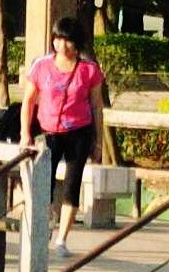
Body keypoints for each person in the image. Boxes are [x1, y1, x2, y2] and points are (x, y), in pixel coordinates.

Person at [19, 18, 112, 221]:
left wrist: (97, 142)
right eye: (57, 39)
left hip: (79, 131)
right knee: (45, 183)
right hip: (49, 131)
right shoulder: (41, 65)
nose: (61, 45)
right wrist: (25, 133)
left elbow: (96, 107)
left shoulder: (89, 70)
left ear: (76, 42)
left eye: (67, 40)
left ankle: (62, 239)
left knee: (72, 186)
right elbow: (28, 100)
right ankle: (46, 224)